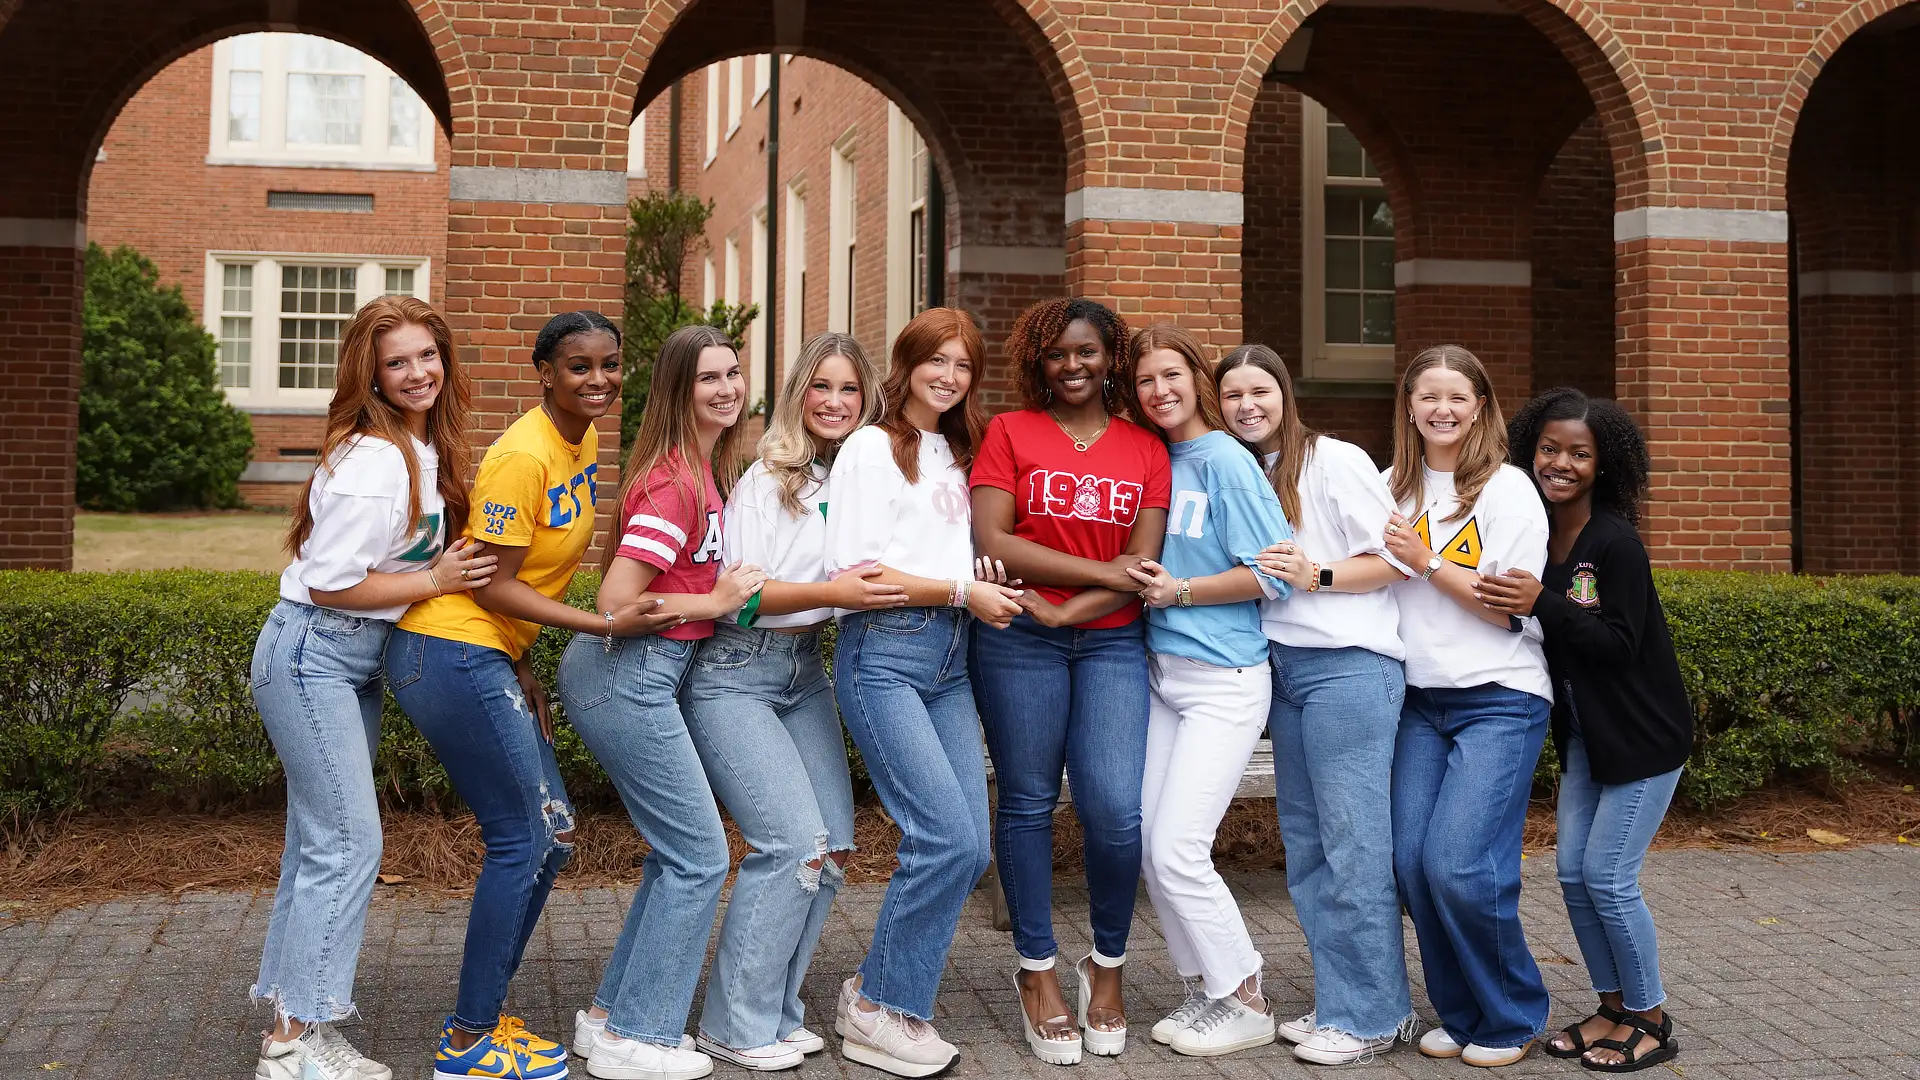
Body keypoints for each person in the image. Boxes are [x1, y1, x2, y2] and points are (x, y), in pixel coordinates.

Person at [387, 310, 678, 1080]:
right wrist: (602, 621)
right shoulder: (523, 455)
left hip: (485, 655)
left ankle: (480, 1017)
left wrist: (523, 665)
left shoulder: (577, 441)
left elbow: (517, 588)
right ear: (543, 372)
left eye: (610, 364)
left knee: (549, 840)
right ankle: (469, 1039)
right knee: (529, 838)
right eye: (579, 367)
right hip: (447, 651)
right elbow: (497, 586)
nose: (599, 380)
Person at [251, 296, 496, 1080]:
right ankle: (298, 1040)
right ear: (373, 374)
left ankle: (292, 1024)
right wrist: (434, 575)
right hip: (314, 652)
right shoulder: (373, 461)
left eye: (428, 355)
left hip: (348, 662)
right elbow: (327, 585)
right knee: (349, 843)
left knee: (317, 844)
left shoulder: (423, 449)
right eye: (398, 362)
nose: (418, 372)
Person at [676, 332, 905, 1072]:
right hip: (738, 672)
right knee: (791, 844)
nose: (835, 403)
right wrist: (836, 594)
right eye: (821, 388)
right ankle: (732, 1023)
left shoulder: (864, 481)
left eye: (849, 390)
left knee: (833, 848)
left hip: (805, 672)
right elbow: (741, 604)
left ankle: (777, 1009)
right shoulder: (767, 480)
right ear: (799, 395)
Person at [556, 324, 770, 1080]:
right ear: (680, 391)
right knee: (700, 858)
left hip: (648, 676)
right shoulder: (674, 482)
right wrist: (714, 598)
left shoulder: (706, 471)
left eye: (734, 373)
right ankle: (637, 1037)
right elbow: (617, 600)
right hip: (627, 674)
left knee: (679, 856)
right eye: (709, 377)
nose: (727, 389)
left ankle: (613, 1015)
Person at [822, 307, 1024, 1078]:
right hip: (887, 657)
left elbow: (956, 553)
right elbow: (857, 575)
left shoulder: (956, 450)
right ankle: (884, 1009)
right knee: (943, 837)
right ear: (903, 365)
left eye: (963, 365)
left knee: (969, 844)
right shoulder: (871, 448)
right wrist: (958, 590)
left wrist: (981, 581)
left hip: (950, 660)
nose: (948, 376)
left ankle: (875, 994)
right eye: (935, 361)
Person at [968, 298, 1170, 1065]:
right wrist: (1085, 584)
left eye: (1087, 352)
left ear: (1110, 357)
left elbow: (1142, 570)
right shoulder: (1009, 433)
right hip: (1018, 640)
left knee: (1116, 810)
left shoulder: (1145, 447)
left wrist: (1069, 609)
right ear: (1038, 363)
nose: (1074, 366)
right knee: (1026, 801)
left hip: (1110, 642)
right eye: (1058, 355)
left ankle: (1107, 968)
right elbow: (993, 538)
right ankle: (1037, 972)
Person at [1477, 387, 1690, 1074]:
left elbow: (1618, 644)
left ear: (1605, 464)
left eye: (1579, 453)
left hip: (1643, 737)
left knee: (1609, 877)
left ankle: (1651, 1018)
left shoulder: (1614, 541)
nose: (1560, 463)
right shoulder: (1536, 530)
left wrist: (1542, 601)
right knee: (1572, 875)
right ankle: (1612, 1008)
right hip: (1585, 738)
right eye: (1549, 448)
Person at [1216, 344, 1417, 1065]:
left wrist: (1317, 573)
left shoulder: (1334, 460)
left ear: (1285, 394)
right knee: (1307, 850)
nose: (1247, 405)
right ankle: (1342, 1000)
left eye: (1259, 390)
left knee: (1353, 845)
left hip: (1349, 671)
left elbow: (1396, 558)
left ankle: (1374, 1016)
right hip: (1287, 673)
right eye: (1233, 394)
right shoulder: (1243, 470)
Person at [1122, 323, 1293, 1059]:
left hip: (1225, 680)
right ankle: (1207, 987)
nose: (1159, 391)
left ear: (1196, 377)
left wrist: (1182, 592)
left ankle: (1247, 996)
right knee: (1148, 848)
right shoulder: (1157, 457)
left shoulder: (1225, 458)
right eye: (1145, 381)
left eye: (1171, 375)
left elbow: (1274, 572)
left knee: (1179, 847)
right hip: (1165, 678)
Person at [1380, 344, 1552, 1069]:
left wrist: (1426, 562)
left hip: (1500, 697)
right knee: (1411, 864)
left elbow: (1509, 611)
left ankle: (1511, 1014)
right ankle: (1462, 1010)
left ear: (1481, 405)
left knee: (1460, 865)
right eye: (1428, 397)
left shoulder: (1508, 491)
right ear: (1409, 406)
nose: (1441, 409)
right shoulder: (1390, 487)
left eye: (1457, 396)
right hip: (1419, 699)